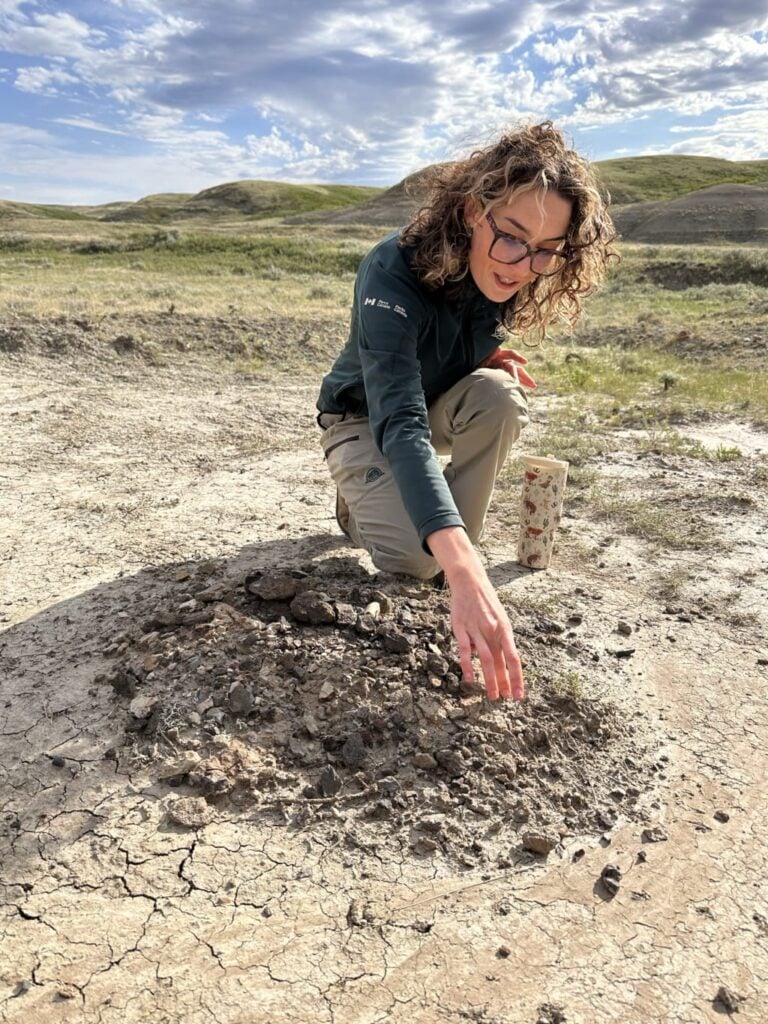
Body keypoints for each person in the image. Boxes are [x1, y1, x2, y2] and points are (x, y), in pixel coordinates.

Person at [316, 121, 616, 703]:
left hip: (428, 409)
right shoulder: (391, 270)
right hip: (363, 417)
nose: (522, 264)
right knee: (414, 559)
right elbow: (400, 418)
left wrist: (488, 353)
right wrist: (466, 571)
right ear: (475, 209)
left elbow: (460, 332)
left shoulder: (514, 269)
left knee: (500, 396)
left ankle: (448, 545)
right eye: (512, 236)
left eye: (546, 251)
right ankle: (376, 506)